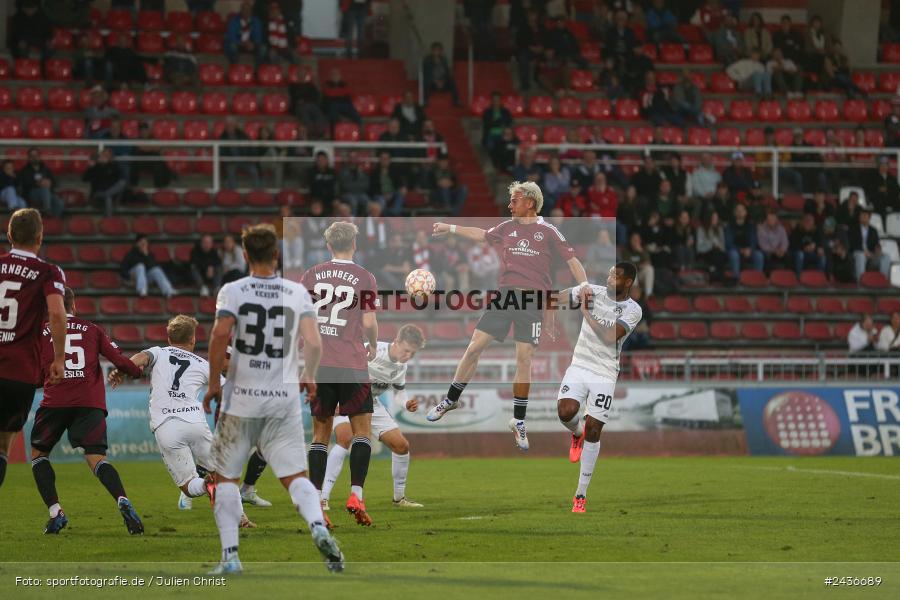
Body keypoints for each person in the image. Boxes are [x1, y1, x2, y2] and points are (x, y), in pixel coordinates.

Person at [203, 224, 342, 574]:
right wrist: (309, 374)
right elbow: (314, 342)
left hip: (241, 402)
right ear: (276, 256)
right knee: (295, 475)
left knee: (226, 479)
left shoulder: (232, 290)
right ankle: (317, 527)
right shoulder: (296, 292)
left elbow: (220, 334)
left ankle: (231, 557)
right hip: (281, 399)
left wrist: (213, 383)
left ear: (245, 254)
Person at [427, 182, 590, 451]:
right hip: (505, 296)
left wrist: (583, 287)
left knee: (524, 359)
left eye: (514, 200)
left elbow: (573, 261)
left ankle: (519, 421)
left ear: (530, 202)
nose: (509, 205)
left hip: (532, 301)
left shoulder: (548, 231)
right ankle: (452, 399)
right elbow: (481, 235)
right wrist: (450, 227)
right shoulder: (507, 227)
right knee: (474, 347)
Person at [107, 315, 255, 523]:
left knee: (188, 486)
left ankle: (206, 486)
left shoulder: (159, 352)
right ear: (193, 339)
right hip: (195, 423)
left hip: (166, 426)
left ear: (169, 339)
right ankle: (242, 518)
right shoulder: (202, 363)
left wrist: (121, 371)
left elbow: (139, 359)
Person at [30, 286, 143, 534]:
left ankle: (55, 512)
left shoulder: (40, 333)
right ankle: (122, 499)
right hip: (89, 402)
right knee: (96, 458)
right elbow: (119, 358)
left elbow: (35, 373)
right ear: (75, 305)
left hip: (55, 402)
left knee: (39, 454)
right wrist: (134, 372)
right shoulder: (93, 329)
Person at [300, 222, 379, 528]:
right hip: (351, 362)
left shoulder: (311, 274)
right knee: (362, 432)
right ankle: (356, 494)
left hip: (320, 364)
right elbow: (370, 323)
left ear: (329, 245)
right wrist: (372, 344)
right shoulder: (364, 277)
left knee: (320, 435)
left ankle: (317, 502)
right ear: (354, 244)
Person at [556, 263, 642, 513]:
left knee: (594, 429)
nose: (610, 277)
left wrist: (586, 313)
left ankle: (580, 495)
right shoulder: (592, 291)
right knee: (565, 412)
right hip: (580, 364)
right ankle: (575, 433)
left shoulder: (633, 310)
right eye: (610, 272)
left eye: (616, 275)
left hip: (604, 373)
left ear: (627, 283)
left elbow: (608, 336)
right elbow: (562, 296)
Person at [321, 325, 426, 511]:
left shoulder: (402, 366)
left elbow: (399, 392)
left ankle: (399, 498)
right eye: (406, 350)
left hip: (372, 404)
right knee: (345, 438)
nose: (408, 355)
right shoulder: (372, 350)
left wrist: (406, 403)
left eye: (413, 353)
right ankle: (323, 497)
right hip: (347, 397)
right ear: (396, 342)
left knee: (402, 446)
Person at [0, 209, 67, 490]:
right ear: (40, 237)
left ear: (9, 235)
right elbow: (57, 314)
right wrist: (60, 359)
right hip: (19, 373)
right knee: (3, 446)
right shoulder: (48, 272)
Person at [18, 149, 64, 218]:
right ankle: (47, 211)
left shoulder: (45, 168)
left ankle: (53, 221)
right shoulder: (25, 170)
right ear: (29, 158)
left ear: (39, 156)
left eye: (36, 155)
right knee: (44, 190)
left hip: (47, 193)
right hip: (32, 193)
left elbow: (54, 181)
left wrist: (49, 182)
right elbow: (25, 184)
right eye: (32, 156)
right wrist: (38, 183)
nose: (34, 157)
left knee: (59, 203)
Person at [83, 149, 127, 217]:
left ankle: (108, 218)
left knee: (121, 183)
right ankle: (109, 219)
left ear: (111, 157)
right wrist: (90, 167)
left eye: (106, 156)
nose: (104, 157)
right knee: (108, 198)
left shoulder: (115, 166)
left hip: (111, 194)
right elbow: (85, 179)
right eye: (103, 155)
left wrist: (108, 164)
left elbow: (123, 180)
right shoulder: (96, 167)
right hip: (97, 194)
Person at [849, 209, 891, 281]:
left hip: (871, 256)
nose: (862, 217)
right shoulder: (853, 229)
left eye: (864, 216)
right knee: (861, 255)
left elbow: (876, 244)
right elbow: (852, 245)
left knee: (886, 257)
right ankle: (861, 281)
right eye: (861, 216)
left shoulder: (873, 230)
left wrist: (878, 250)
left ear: (869, 218)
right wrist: (864, 251)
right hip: (857, 253)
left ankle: (882, 280)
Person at [220, 118, 261, 189]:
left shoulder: (242, 135)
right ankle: (233, 193)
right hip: (231, 161)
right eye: (228, 125)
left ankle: (257, 191)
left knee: (253, 170)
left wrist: (251, 158)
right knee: (230, 171)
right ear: (226, 126)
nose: (230, 127)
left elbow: (250, 146)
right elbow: (221, 151)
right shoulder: (223, 137)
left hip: (244, 160)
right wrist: (226, 160)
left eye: (232, 125)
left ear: (235, 126)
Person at [130, 122, 174, 188]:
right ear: (139, 131)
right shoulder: (137, 139)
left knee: (160, 162)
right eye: (142, 130)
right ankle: (133, 186)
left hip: (152, 162)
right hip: (140, 162)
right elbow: (143, 148)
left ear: (148, 130)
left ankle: (160, 186)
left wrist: (146, 147)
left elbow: (158, 148)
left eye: (145, 130)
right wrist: (150, 147)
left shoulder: (153, 138)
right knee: (133, 164)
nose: (143, 132)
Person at [726, 203, 764, 276]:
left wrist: (750, 249)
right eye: (738, 210)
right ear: (734, 213)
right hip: (735, 250)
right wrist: (741, 250)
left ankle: (757, 278)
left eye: (742, 210)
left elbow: (754, 241)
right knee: (734, 255)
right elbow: (728, 243)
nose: (740, 212)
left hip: (749, 251)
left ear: (745, 212)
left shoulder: (751, 225)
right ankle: (736, 279)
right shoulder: (729, 226)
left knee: (759, 255)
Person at [225, 0, 265, 65]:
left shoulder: (256, 21)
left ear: (251, 11)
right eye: (244, 9)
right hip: (238, 44)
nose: (246, 11)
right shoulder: (234, 20)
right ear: (241, 10)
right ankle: (234, 67)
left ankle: (258, 69)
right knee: (232, 46)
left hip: (251, 45)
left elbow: (258, 36)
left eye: (248, 10)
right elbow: (231, 36)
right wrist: (241, 43)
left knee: (263, 48)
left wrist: (253, 44)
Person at [695, 211, 727, 281]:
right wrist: (711, 245)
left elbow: (723, 246)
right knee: (716, 253)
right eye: (713, 218)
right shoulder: (701, 229)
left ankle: (714, 273)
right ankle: (719, 275)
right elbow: (699, 247)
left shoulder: (719, 229)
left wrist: (718, 246)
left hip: (718, 253)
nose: (715, 220)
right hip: (705, 253)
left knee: (718, 253)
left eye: (716, 218)